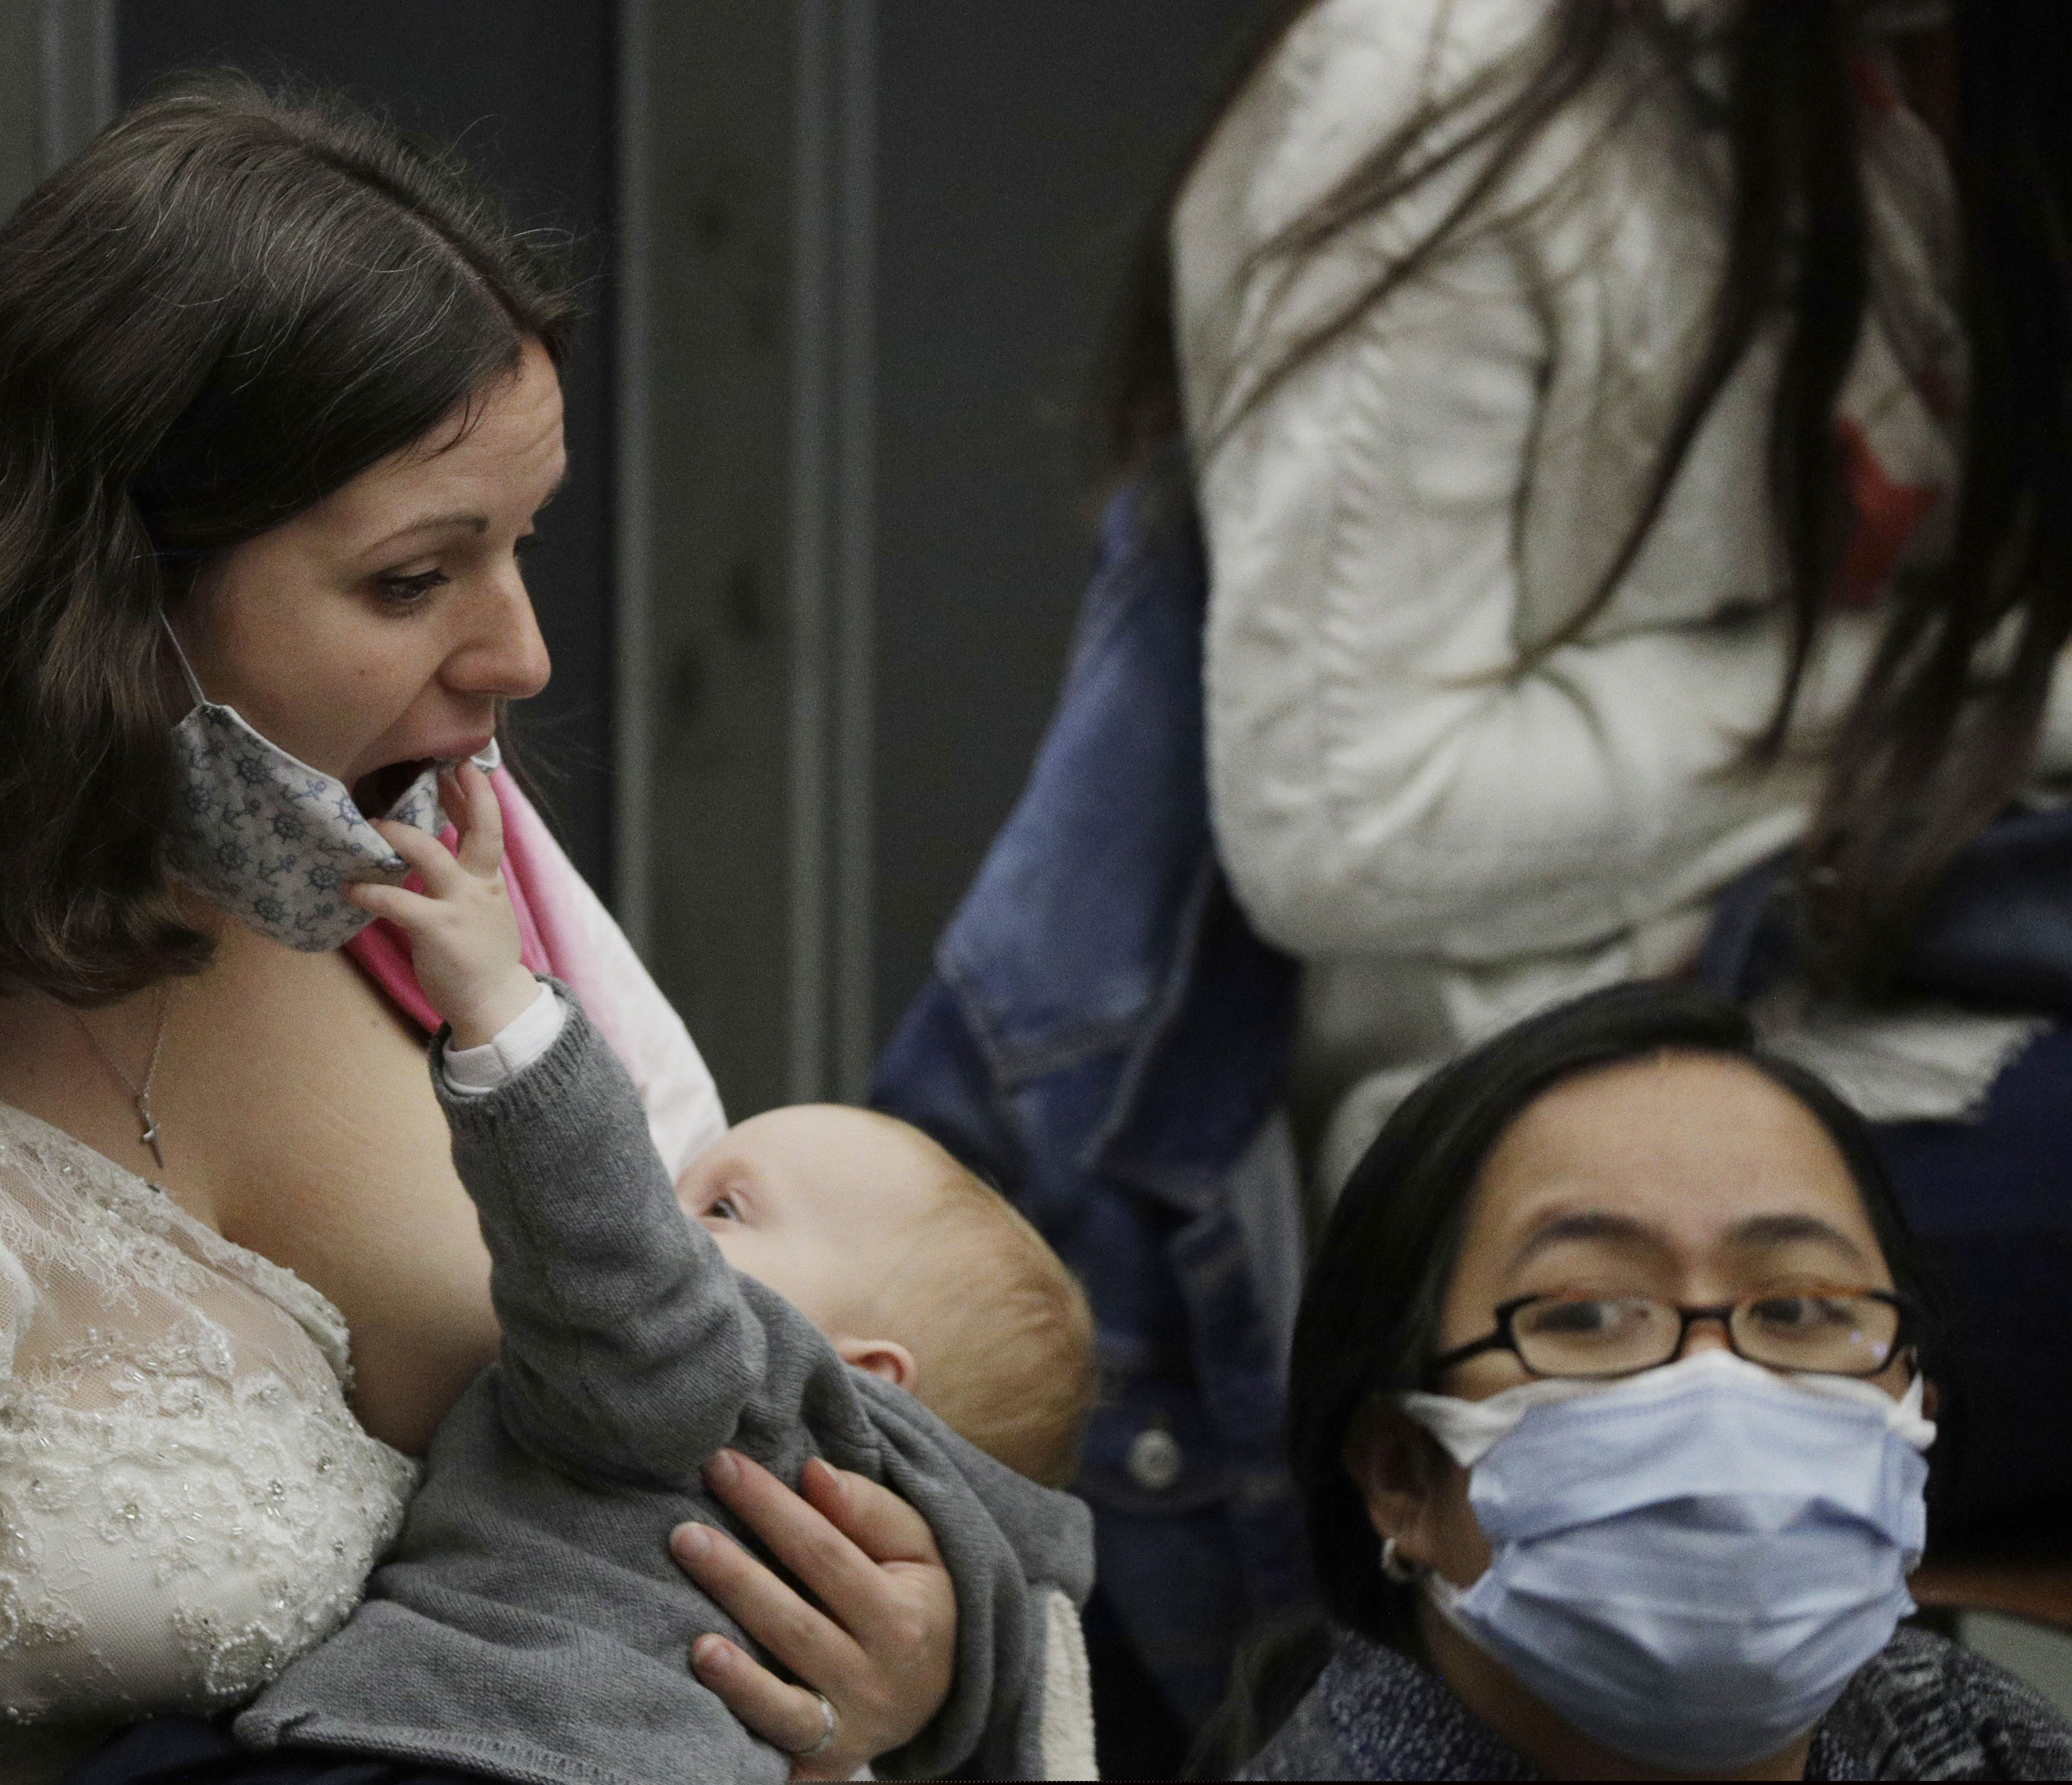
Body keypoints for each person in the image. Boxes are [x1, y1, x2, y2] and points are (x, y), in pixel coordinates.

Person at [0, 77, 960, 1784]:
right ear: (96, 603)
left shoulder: (334, 825)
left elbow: (697, 1389)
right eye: (414, 578)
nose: (520, 653)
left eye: (520, 545)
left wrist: (890, 1670)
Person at [881, 0, 2072, 1763]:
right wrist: (1910, 695)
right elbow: (1346, 815)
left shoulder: (1938, 90)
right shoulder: (1435, 77)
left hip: (1867, 1004)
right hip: (1492, 1087)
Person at [72, 759, 1099, 1782]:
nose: (659, 1204)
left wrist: (508, 1025)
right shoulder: (956, 1575)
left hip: (478, 1752)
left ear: (862, 1373)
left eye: (721, 1207)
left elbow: (631, 1285)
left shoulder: (735, 1388)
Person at [1232, 979, 2072, 1780]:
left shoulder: (1973, 1738)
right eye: (1588, 1314)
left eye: (1799, 1306)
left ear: (1911, 1426)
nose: (1720, 1386)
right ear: (1400, 1469)